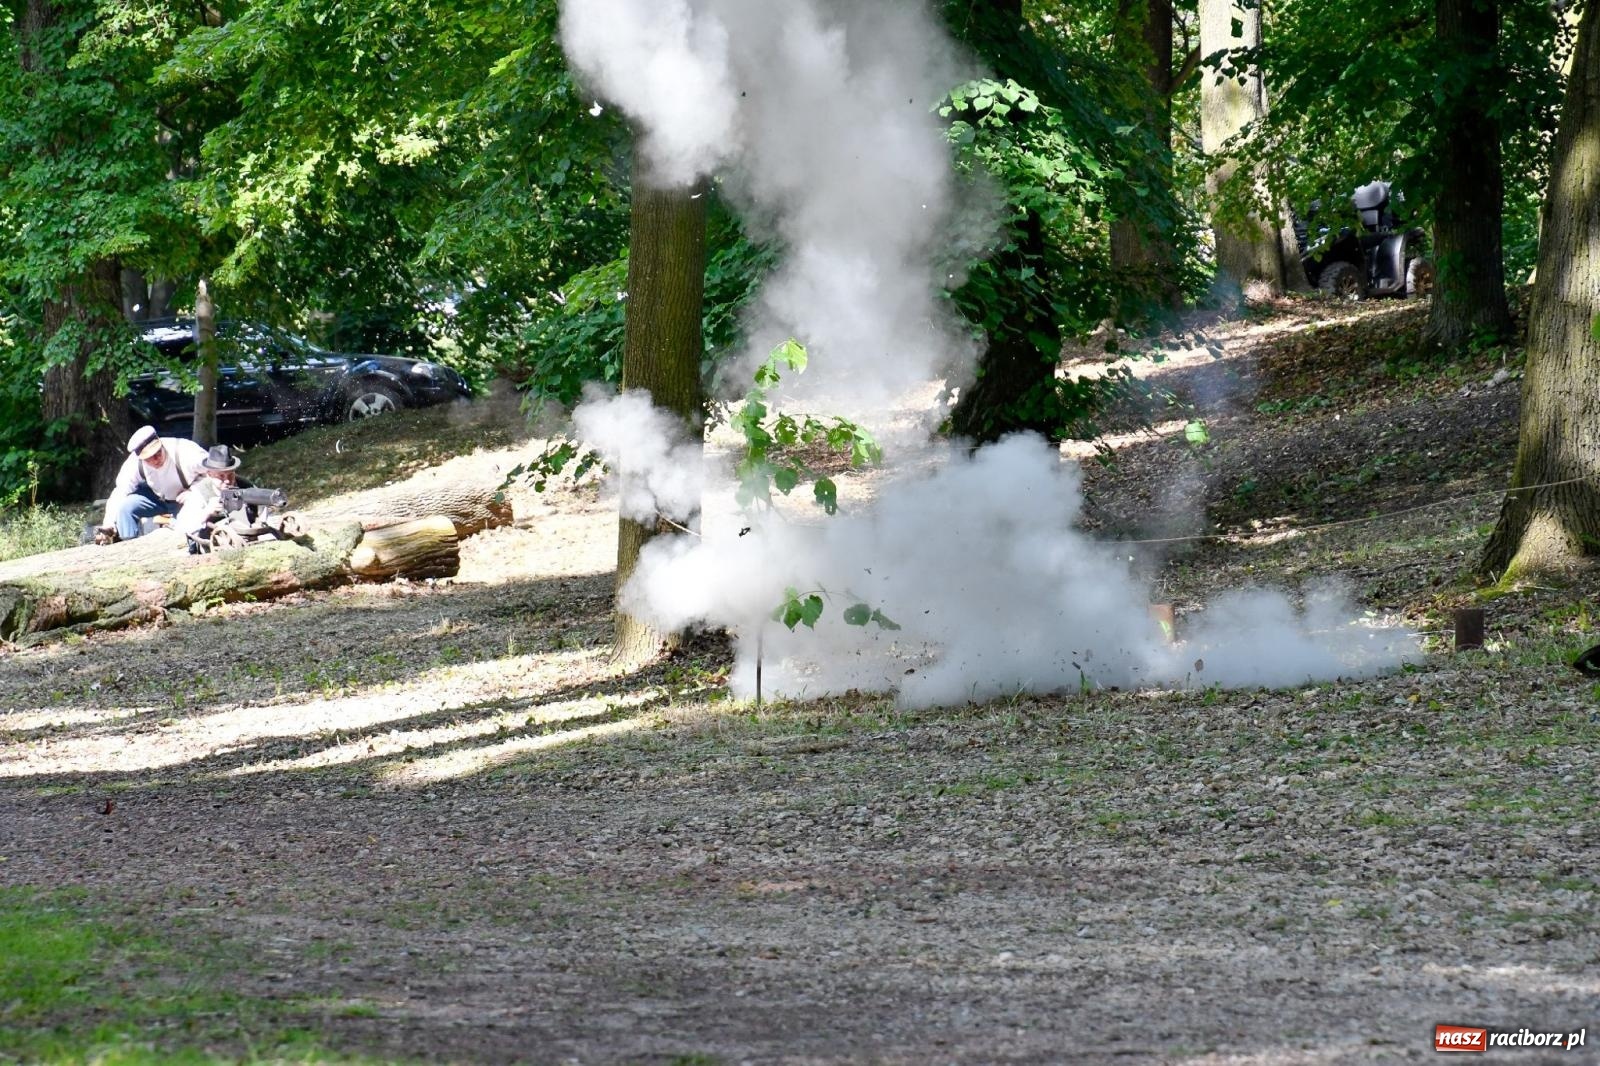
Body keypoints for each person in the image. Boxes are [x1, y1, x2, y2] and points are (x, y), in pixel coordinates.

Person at [95, 426, 210, 543]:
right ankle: (127, 545)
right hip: (158, 497)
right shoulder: (134, 463)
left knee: (187, 528)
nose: (156, 459)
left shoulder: (185, 451)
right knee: (126, 507)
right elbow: (120, 491)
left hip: (185, 498)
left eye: (158, 452)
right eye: (149, 458)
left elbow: (216, 471)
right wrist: (108, 522)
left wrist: (195, 491)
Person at [174, 444, 243, 543]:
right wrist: (207, 512)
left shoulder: (244, 485)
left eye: (230, 474)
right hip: (211, 544)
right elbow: (181, 527)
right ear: (209, 474)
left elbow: (262, 514)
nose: (227, 480)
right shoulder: (199, 493)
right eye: (221, 476)